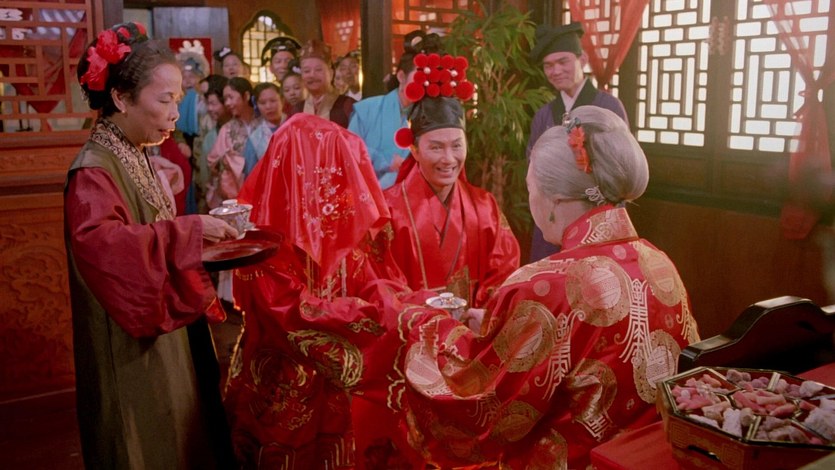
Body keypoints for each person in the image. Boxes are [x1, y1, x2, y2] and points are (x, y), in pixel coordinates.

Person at [383, 106, 700, 468]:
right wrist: (502, 325)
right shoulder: (659, 262)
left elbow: (482, 410)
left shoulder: (544, 285)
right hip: (657, 455)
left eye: (531, 188)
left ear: (555, 200)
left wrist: (424, 324)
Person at [66, 22, 238, 469]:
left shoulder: (131, 149)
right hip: (127, 338)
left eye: (177, 100)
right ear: (121, 98)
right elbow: (105, 246)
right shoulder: (93, 169)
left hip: (159, 324)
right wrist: (189, 231)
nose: (175, 114)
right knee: (143, 437)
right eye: (164, 100)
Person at [223, 114, 409, 469]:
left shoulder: (346, 226)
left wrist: (396, 306)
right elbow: (289, 312)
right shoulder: (263, 242)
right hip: (283, 385)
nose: (339, 184)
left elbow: (377, 279)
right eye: (330, 171)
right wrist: (366, 315)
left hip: (341, 388)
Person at [527, 21, 629, 262]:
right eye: (548, 65)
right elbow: (533, 168)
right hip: (554, 215)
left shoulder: (609, 106)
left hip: (597, 214)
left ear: (582, 59)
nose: (555, 70)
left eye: (563, 61)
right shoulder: (544, 114)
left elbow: (620, 166)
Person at [348, 30, 442, 189]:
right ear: (401, 77)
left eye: (429, 79)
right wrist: (384, 161)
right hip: (367, 193)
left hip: (414, 195)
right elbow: (349, 150)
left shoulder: (433, 116)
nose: (424, 84)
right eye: (419, 77)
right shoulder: (367, 110)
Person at [205, 76, 258, 209]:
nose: (227, 103)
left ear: (246, 96)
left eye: (231, 97)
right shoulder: (227, 129)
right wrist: (227, 162)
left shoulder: (264, 124)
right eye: (225, 99)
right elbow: (212, 162)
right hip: (238, 193)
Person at [291, 39, 355, 128]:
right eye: (306, 71)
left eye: (318, 70)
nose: (312, 75)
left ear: (331, 73)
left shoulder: (347, 106)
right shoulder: (297, 110)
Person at [192, 74, 230, 214]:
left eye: (214, 104)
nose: (210, 108)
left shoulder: (236, 132)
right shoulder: (210, 136)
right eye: (208, 104)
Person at [242, 82, 286, 177]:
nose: (268, 106)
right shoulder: (255, 139)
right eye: (262, 103)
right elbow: (252, 176)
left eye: (273, 101)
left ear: (282, 100)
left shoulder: (296, 126)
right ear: (257, 105)